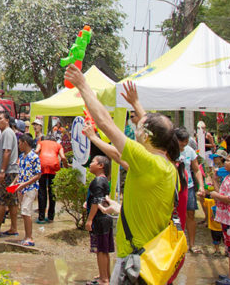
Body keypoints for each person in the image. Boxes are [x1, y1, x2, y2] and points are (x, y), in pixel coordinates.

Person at [65, 66, 180, 284]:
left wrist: (82, 85)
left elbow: (106, 124)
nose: (135, 124)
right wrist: (136, 104)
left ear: (145, 136)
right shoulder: (167, 167)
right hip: (153, 258)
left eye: (139, 125)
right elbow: (156, 133)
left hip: (137, 261)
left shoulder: (147, 162)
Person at [204, 151, 230, 285]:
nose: (225, 163)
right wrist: (215, 181)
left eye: (228, 160)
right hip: (227, 219)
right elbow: (221, 192)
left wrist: (215, 195)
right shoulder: (229, 177)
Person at [0, 111, 19, 238]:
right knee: (12, 201)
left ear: (7, 120)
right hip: (10, 171)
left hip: (7, 172)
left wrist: (2, 171)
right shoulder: (5, 133)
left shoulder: (7, 133)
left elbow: (7, 152)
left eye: (0, 118)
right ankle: (13, 228)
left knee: (1, 201)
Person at [174, 127, 204, 253]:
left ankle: (191, 244)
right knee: (173, 215)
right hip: (173, 188)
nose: (184, 144)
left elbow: (196, 169)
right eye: (182, 142)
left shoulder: (190, 151)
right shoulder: (168, 151)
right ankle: (174, 243)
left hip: (189, 187)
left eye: (186, 142)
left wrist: (201, 186)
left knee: (190, 214)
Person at [86, 155, 114, 285]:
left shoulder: (98, 181)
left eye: (93, 162)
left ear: (100, 166)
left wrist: (89, 219)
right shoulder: (104, 181)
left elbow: (97, 201)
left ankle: (104, 279)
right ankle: (105, 275)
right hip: (105, 219)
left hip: (99, 219)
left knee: (101, 251)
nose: (90, 164)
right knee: (104, 250)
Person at [12, 133, 40, 246]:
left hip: (30, 188)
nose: (18, 146)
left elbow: (38, 175)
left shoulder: (34, 157)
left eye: (19, 143)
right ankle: (26, 236)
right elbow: (20, 173)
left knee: (26, 210)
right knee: (23, 212)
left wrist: (24, 184)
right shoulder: (22, 157)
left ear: (25, 143)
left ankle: (30, 237)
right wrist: (14, 183)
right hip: (21, 188)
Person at [35, 134, 68, 223]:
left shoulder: (41, 142)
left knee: (42, 191)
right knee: (52, 191)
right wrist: (66, 166)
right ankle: (50, 217)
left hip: (42, 165)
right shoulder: (58, 145)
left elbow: (36, 151)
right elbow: (63, 157)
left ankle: (41, 217)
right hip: (54, 165)